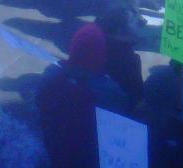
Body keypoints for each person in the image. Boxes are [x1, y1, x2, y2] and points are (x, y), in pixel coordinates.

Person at [36, 23, 129, 168]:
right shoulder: (108, 90)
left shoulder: (51, 73)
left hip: (55, 148)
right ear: (100, 54)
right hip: (88, 156)